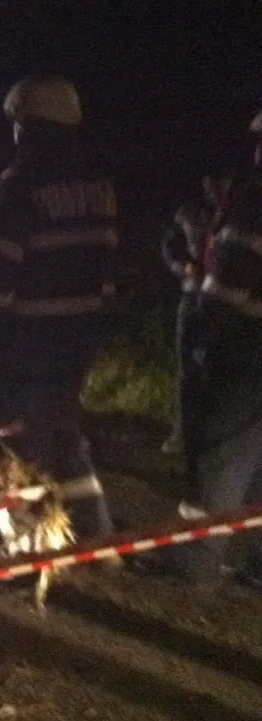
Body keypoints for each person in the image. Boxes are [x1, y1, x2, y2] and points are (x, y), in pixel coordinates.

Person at [0, 75, 120, 540]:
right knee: (64, 432)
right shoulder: (99, 186)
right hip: (79, 339)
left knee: (17, 447)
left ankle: (27, 545)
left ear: (27, 126)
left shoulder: (22, 184)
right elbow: (107, 267)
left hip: (28, 345)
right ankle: (96, 532)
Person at [137, 113, 262, 589]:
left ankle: (192, 564)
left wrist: (205, 339)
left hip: (246, 347)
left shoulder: (255, 201)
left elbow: (229, 282)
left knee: (220, 457)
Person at [159, 171, 224, 456]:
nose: (215, 187)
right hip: (194, 298)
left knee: (216, 367)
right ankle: (184, 432)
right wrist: (183, 266)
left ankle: (214, 432)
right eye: (211, 181)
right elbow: (170, 247)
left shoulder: (236, 214)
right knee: (188, 368)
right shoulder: (189, 214)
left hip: (224, 302)